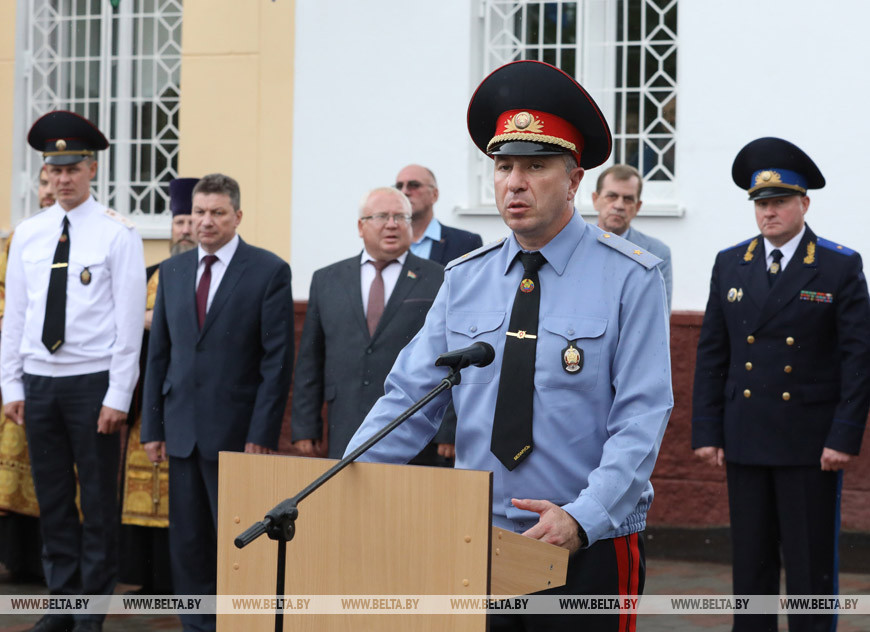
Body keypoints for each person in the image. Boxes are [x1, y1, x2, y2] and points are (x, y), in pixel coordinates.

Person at [345, 60, 672, 632]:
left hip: (585, 545)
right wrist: (344, 480)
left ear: (573, 181)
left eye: (536, 166)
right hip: (479, 540)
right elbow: (408, 397)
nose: (514, 182)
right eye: (503, 166)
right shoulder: (464, 277)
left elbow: (642, 416)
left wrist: (583, 516)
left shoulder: (631, 278)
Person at [692, 137, 870, 632]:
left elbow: (859, 358)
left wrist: (843, 436)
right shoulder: (732, 262)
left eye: (779, 203)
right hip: (746, 435)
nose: (768, 213)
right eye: (761, 204)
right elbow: (712, 351)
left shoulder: (838, 264)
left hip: (809, 442)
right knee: (751, 566)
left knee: (810, 567)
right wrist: (707, 430)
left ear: (804, 204)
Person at [0, 110, 147, 632]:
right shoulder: (29, 235)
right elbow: (15, 316)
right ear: (46, 174)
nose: (62, 179)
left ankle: (92, 610)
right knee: (54, 500)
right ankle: (61, 604)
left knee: (100, 503)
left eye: (72, 168)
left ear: (91, 170)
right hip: (40, 381)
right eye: (53, 170)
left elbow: (130, 327)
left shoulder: (117, 235)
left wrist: (118, 396)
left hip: (92, 383)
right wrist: (11, 385)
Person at [141, 173, 294, 632]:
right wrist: (153, 427)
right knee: (187, 547)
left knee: (237, 540)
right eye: (199, 213)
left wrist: (261, 435)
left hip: (237, 436)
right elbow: (159, 356)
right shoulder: (172, 271)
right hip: (182, 433)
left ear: (237, 216)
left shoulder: (268, 270)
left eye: (217, 213)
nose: (205, 222)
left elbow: (276, 361)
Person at [291, 187, 448, 460]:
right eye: (381, 216)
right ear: (360, 226)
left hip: (414, 425)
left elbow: (450, 357)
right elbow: (310, 360)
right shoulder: (327, 280)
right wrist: (306, 426)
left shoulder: (439, 278)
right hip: (346, 422)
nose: (392, 224)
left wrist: (449, 431)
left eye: (401, 217)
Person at [119, 177, 199, 596]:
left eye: (191, 220)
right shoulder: (148, 274)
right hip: (144, 400)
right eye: (179, 221)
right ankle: (145, 577)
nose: (185, 229)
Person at [0, 165, 56, 584]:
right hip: (12, 370)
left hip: (56, 373)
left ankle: (44, 565)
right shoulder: (18, 239)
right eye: (43, 182)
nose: (51, 189)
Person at [592, 164, 673, 310]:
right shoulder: (573, 246)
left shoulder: (656, 254)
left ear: (638, 207)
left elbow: (658, 313)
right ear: (595, 200)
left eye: (628, 199)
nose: (619, 205)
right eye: (612, 196)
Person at [395, 164, 483, 265]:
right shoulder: (385, 241)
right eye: (399, 187)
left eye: (414, 185)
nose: (404, 192)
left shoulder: (465, 243)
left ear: (434, 195)